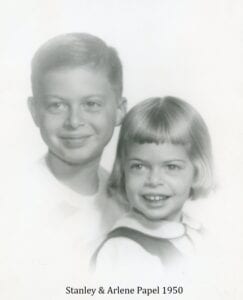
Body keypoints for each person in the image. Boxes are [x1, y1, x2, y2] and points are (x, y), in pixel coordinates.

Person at [1, 33, 127, 299]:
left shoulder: (128, 201)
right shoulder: (10, 202)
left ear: (119, 110)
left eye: (91, 104)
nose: (74, 121)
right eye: (56, 105)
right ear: (35, 111)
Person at [93, 96, 214, 283]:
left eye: (171, 167)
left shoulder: (198, 233)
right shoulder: (123, 250)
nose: (154, 180)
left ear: (197, 171)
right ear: (123, 170)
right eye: (139, 166)